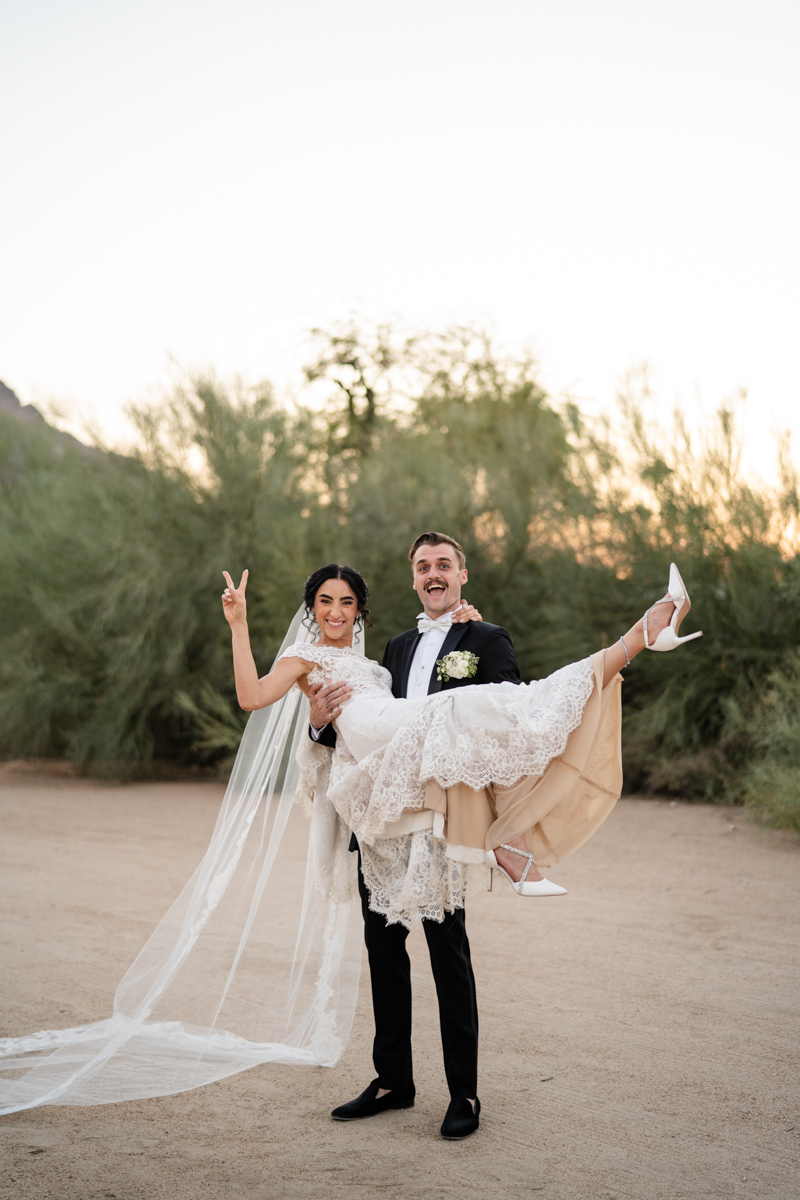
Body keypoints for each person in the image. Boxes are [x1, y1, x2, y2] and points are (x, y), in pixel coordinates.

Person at [221, 537, 701, 1139]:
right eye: (422, 567)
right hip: (382, 816)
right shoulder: (390, 651)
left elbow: (505, 736)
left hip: (440, 817)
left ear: (460, 575)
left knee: (449, 951)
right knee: (384, 954)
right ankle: (393, 1080)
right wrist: (311, 714)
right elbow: (309, 720)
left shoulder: (480, 639)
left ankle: (464, 1095)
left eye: (442, 564)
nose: (336, 611)